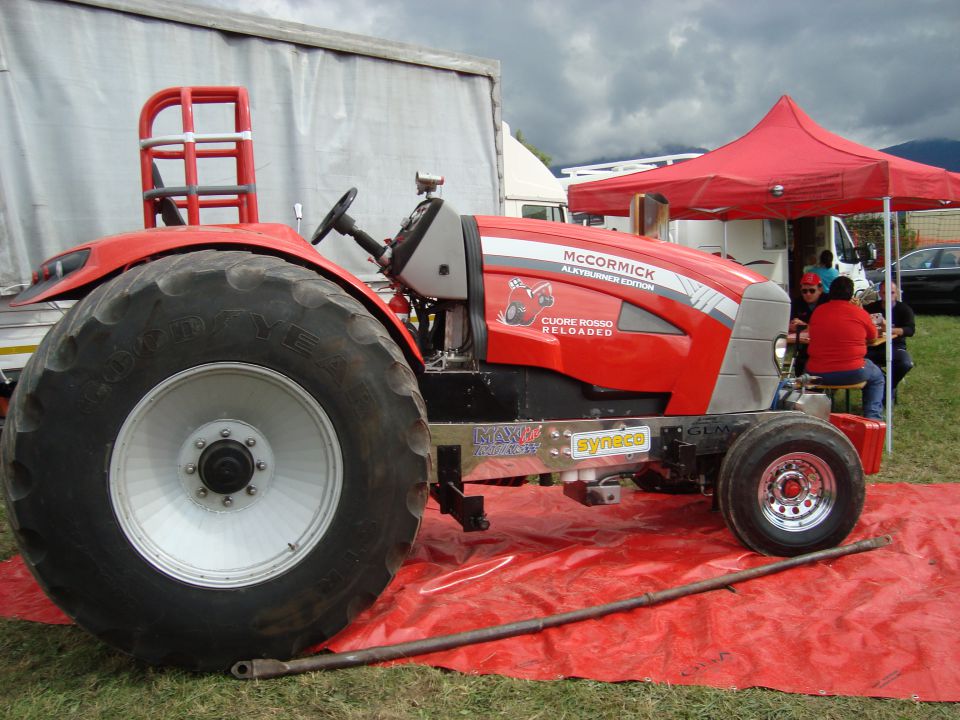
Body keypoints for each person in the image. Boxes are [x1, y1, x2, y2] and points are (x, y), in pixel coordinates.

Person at [805, 275, 884, 420]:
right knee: (877, 376)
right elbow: (873, 337)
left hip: (816, 372)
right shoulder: (860, 313)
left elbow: (811, 333)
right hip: (852, 370)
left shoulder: (818, 312)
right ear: (851, 294)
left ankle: (814, 415)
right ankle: (873, 419)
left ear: (831, 292)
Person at [863, 281, 915, 400]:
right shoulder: (871, 308)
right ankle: (878, 386)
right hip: (872, 346)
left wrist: (890, 329)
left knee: (905, 363)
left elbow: (910, 330)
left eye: (891, 292)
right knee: (859, 361)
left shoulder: (904, 309)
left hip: (895, 346)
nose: (888, 296)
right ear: (880, 294)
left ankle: (888, 387)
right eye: (884, 292)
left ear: (896, 293)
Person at [788, 272, 828, 374]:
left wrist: (804, 327)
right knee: (801, 360)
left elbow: (826, 327)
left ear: (820, 290)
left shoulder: (828, 301)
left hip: (824, 345)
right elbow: (788, 322)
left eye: (812, 290)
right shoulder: (797, 302)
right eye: (804, 291)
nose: (808, 294)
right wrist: (791, 326)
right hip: (803, 345)